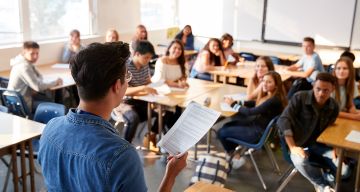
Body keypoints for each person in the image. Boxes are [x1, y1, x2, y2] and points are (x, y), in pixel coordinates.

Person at [38, 42, 188, 191]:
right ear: (117, 86)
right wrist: (171, 174)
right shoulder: (121, 156)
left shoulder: (49, 128)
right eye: (127, 77)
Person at [277, 72, 349, 192]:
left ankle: (327, 177)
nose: (321, 93)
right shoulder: (300, 97)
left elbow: (330, 129)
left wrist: (335, 147)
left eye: (326, 90)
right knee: (300, 161)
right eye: (318, 89)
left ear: (332, 90)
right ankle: (323, 185)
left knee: (345, 171)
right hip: (296, 143)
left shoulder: (334, 106)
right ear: (313, 86)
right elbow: (283, 120)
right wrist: (293, 146)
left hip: (316, 145)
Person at [218, 71, 287, 168]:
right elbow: (254, 104)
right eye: (264, 81)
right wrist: (237, 102)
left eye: (269, 82)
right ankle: (234, 155)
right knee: (226, 126)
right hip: (256, 126)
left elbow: (251, 112)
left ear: (276, 85)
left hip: (257, 133)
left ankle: (234, 157)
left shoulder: (273, 100)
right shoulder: (270, 95)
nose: (265, 84)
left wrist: (233, 105)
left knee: (221, 132)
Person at [113, 40, 158, 144]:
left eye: (150, 58)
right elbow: (123, 91)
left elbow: (148, 82)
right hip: (123, 102)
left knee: (160, 114)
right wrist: (142, 88)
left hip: (141, 101)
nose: (148, 60)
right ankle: (124, 147)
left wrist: (154, 88)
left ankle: (149, 139)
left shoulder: (145, 65)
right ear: (137, 54)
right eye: (146, 57)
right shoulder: (126, 67)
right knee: (133, 118)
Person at [7, 41, 63, 111]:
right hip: (22, 104)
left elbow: (39, 77)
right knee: (55, 105)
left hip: (17, 100)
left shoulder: (23, 62)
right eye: (32, 53)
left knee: (48, 98)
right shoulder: (24, 67)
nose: (35, 56)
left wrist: (35, 86)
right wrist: (55, 82)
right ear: (24, 53)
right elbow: (37, 87)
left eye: (37, 53)